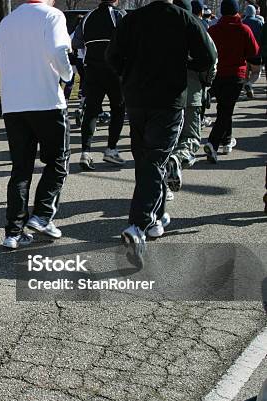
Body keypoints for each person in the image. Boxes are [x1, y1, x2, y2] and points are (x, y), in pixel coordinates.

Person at [106, 0, 216, 267]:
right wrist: (188, 64)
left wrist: (127, 73)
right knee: (155, 161)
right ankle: (138, 225)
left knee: (145, 160)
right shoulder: (184, 19)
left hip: (136, 97)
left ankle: (155, 218)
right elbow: (208, 57)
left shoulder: (132, 19)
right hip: (168, 99)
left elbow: (111, 56)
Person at [0, 0, 73, 249]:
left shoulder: (8, 20)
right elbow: (59, 51)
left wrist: (19, 67)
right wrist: (68, 76)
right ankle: (43, 215)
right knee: (58, 161)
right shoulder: (53, 16)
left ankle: (13, 233)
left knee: (20, 169)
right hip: (47, 100)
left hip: (14, 104)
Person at [72, 0, 126, 171]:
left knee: (91, 110)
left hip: (92, 69)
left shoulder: (88, 16)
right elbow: (128, 39)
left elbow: (76, 42)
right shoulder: (119, 15)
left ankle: (85, 152)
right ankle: (111, 149)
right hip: (114, 69)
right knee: (118, 108)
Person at [205, 0, 259, 162]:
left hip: (217, 75)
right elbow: (254, 51)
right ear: (236, 12)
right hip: (236, 75)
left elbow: (207, 51)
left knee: (224, 108)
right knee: (226, 111)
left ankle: (226, 141)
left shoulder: (213, 29)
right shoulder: (244, 29)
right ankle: (213, 143)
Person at [170, 0, 217, 176]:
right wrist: (206, 83)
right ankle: (178, 158)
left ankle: (162, 184)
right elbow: (212, 61)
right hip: (191, 91)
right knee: (189, 137)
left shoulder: (160, 31)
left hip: (163, 93)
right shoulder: (197, 30)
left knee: (165, 139)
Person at [242, 4, 263, 98]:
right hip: (256, 52)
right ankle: (249, 84)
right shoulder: (259, 22)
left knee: (244, 75)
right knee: (256, 73)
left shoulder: (242, 22)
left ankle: (247, 90)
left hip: (244, 53)